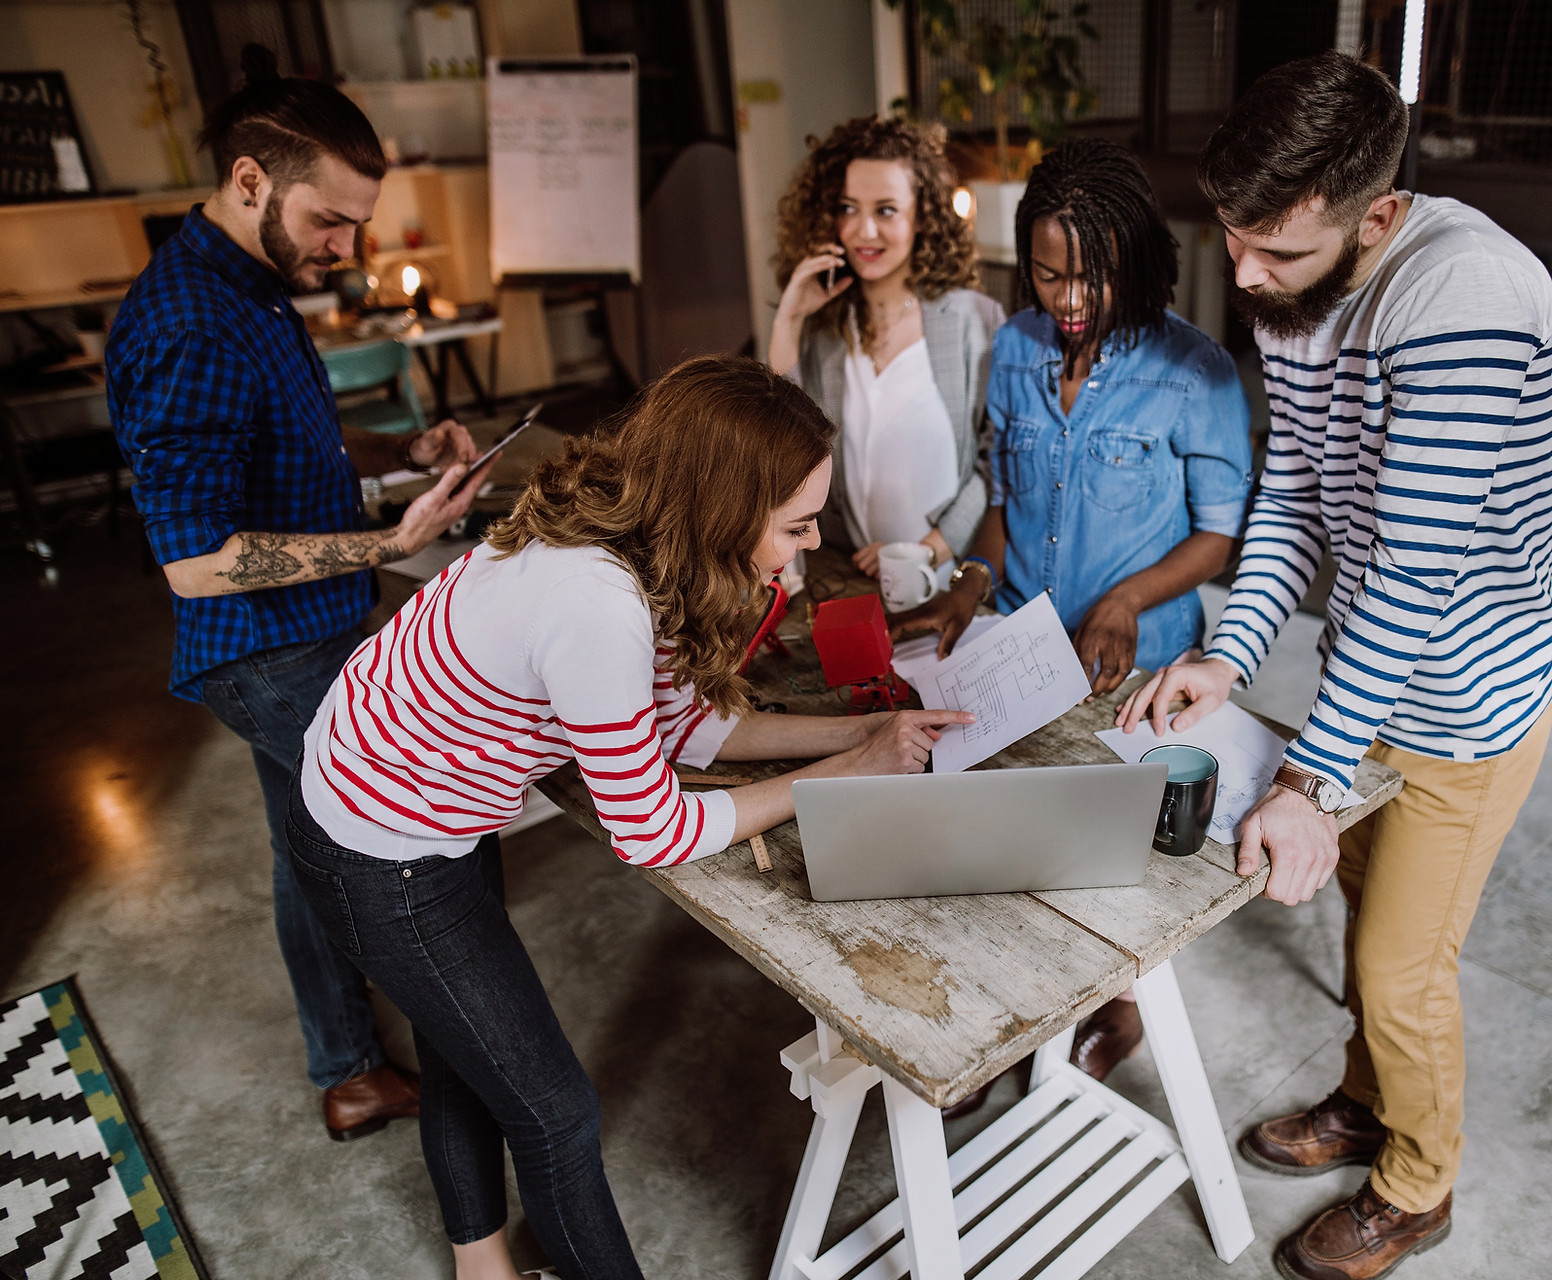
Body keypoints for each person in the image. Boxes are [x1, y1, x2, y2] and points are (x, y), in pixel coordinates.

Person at [286, 355, 972, 1280]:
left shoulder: (628, 525)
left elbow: (686, 723)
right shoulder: (597, 601)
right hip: (383, 844)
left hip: (411, 804)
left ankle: (480, 1271)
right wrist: (846, 771)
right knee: (555, 1111)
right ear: (724, 508)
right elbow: (651, 831)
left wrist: (866, 727)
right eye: (795, 528)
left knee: (465, 1052)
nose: (801, 556)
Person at [1117, 51, 1552, 1280]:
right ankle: (1367, 1106)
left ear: (1374, 214)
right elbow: (1297, 498)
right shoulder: (1296, 282)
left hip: (1468, 695)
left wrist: (1305, 779)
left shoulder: (1467, 296)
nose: (1242, 274)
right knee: (1370, 916)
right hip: (1364, 685)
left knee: (1399, 966)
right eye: (1234, 238)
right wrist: (1227, 651)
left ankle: (1419, 1184)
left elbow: (1416, 572)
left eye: (1275, 251)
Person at [107, 55, 498, 1139]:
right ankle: (472, 1053)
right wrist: (388, 537)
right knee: (401, 838)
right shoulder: (190, 322)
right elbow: (196, 558)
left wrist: (399, 448)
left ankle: (348, 1064)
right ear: (248, 181)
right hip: (265, 649)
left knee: (302, 842)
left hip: (304, 624)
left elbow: (290, 442)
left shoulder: (248, 283)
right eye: (331, 220)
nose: (347, 247)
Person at [899, 138, 1253, 1104]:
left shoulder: (1198, 372)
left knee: (1110, 860)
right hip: (1018, 639)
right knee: (999, 833)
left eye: (1091, 276)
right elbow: (1007, 499)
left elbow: (1220, 535)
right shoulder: (1014, 349)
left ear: (1138, 259)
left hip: (1134, 655)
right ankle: (1012, 1010)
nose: (1068, 300)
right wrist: (972, 583)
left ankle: (1119, 1006)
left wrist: (1126, 599)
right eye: (1048, 273)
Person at [770, 115, 1004, 582]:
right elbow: (779, 445)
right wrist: (790, 318)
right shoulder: (825, 331)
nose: (863, 231)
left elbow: (997, 457)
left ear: (924, 215)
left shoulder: (972, 319)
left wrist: (931, 549)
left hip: (947, 579)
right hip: (851, 578)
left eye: (886, 210)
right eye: (848, 208)